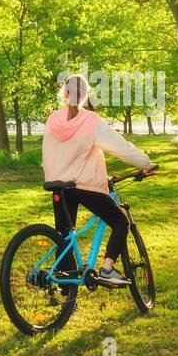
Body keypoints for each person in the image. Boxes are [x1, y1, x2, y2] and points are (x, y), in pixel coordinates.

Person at [42, 74, 154, 287]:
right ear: (86, 95)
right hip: (83, 185)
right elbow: (121, 148)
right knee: (121, 221)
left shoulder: (52, 119)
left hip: (58, 185)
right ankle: (108, 269)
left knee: (64, 236)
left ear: (64, 94)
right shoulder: (90, 121)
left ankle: (66, 288)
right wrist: (145, 163)